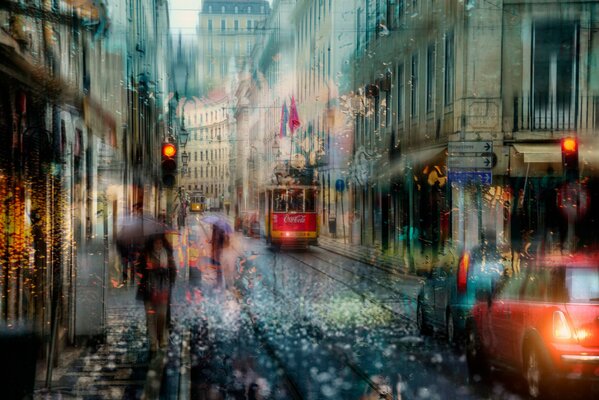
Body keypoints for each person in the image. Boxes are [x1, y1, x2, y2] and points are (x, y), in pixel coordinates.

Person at [137, 233, 177, 352]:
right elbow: (139, 269)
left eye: (160, 243)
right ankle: (154, 343)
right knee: (150, 318)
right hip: (149, 291)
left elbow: (173, 269)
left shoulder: (167, 254)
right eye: (156, 243)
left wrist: (168, 277)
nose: (158, 245)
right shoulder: (145, 254)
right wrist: (149, 269)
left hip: (163, 290)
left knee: (161, 316)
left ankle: (161, 338)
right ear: (152, 243)